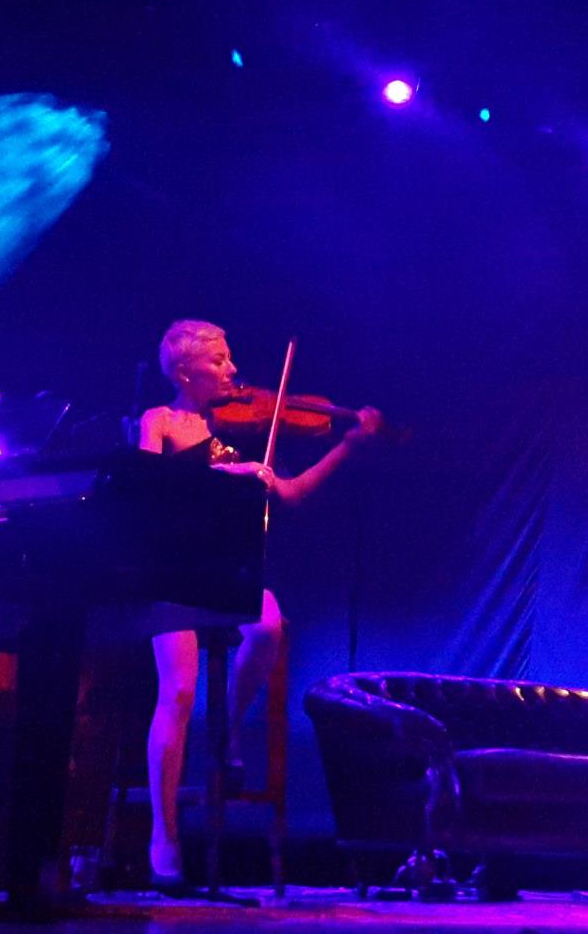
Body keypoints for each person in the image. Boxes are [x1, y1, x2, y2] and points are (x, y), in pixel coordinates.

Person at [134, 319, 380, 891]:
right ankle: (163, 836)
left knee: (268, 626)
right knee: (178, 691)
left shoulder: (238, 429)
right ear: (184, 371)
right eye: (219, 360)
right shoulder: (160, 420)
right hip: (171, 571)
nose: (233, 369)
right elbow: (145, 491)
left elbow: (292, 493)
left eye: (229, 358)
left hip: (226, 570)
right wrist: (226, 474)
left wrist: (347, 445)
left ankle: (227, 729)